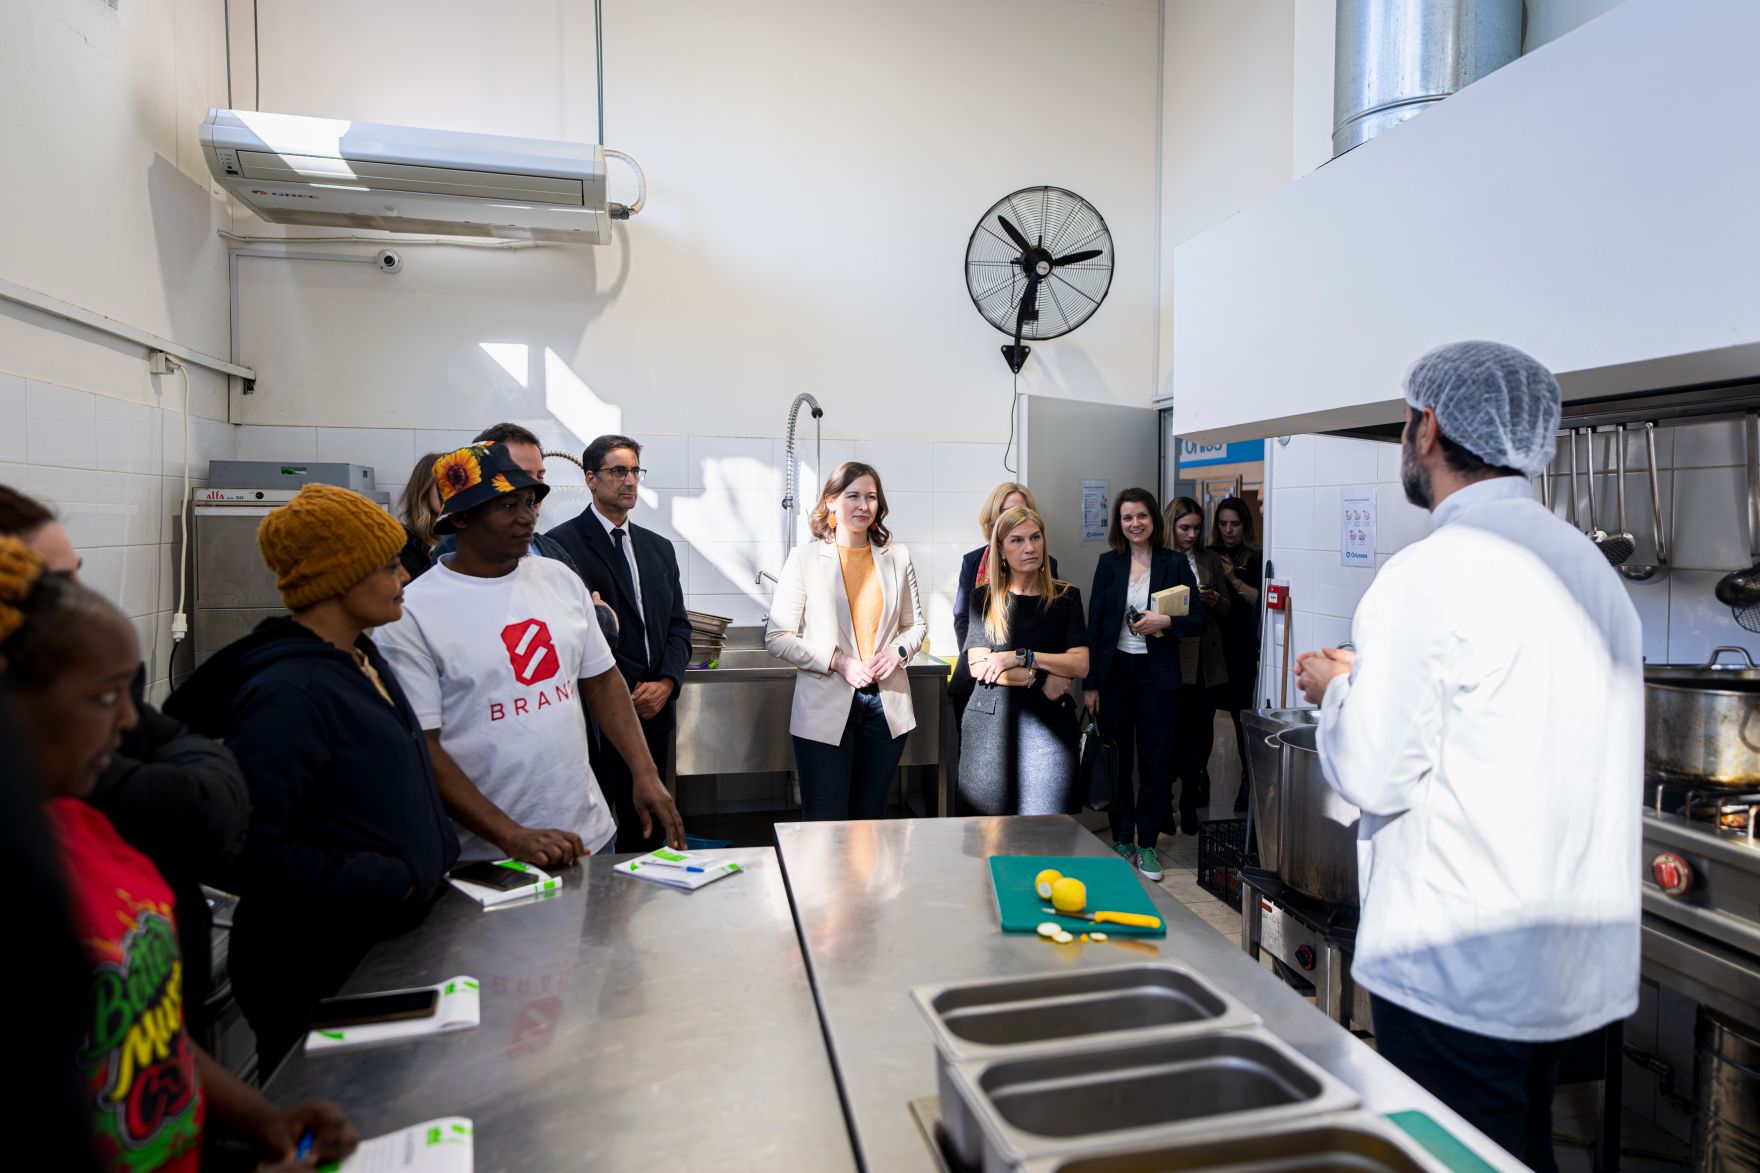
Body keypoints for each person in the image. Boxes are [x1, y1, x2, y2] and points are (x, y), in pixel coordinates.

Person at [1294, 341, 1640, 1173]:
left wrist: (1337, 691)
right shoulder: (1592, 572)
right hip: (1564, 969)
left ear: (1431, 426)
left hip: (1458, 968)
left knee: (1455, 1158)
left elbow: (1374, 770)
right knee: (1523, 1151)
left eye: (1406, 420)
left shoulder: (1429, 575)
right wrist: (1371, 679)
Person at [0, 536, 358, 1172]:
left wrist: (261, 1117)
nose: (125, 725)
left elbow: (141, 1033)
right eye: (104, 697)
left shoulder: (95, 829)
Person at [166, 483, 461, 1071]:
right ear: (339, 577)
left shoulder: (360, 657)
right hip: (312, 964)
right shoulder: (288, 694)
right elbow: (244, 848)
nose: (405, 575)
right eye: (386, 564)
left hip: (373, 945)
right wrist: (386, 879)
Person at [1, 486, 249, 1041]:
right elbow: (188, 806)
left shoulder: (102, 713)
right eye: (56, 588)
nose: (81, 603)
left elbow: (206, 791)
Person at [377, 443, 686, 869]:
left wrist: (644, 772)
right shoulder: (412, 613)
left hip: (590, 834)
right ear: (460, 518)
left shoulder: (559, 579)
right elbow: (422, 747)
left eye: (528, 501)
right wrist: (511, 835)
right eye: (507, 505)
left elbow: (603, 682)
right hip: (488, 855)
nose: (527, 516)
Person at [546, 435, 692, 851]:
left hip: (655, 710)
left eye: (634, 471)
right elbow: (568, 635)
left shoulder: (658, 549)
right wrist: (627, 691)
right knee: (593, 837)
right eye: (617, 471)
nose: (629, 481)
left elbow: (679, 627)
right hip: (597, 713)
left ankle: (642, 909)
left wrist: (666, 683)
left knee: (646, 834)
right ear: (590, 479)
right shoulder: (561, 546)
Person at [766, 462, 927, 820]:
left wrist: (897, 652)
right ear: (831, 502)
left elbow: (914, 626)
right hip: (825, 703)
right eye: (852, 496)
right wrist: (838, 661)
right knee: (825, 823)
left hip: (885, 707)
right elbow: (777, 637)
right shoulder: (804, 559)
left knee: (869, 821)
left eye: (871, 497)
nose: (863, 505)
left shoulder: (897, 557)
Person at [1083, 488, 1206, 880]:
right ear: (1119, 524)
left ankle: (1148, 845)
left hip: (1158, 677)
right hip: (1116, 672)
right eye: (1127, 518)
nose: (1135, 524)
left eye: (1141, 516)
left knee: (1155, 763)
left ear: (1154, 520)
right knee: (1118, 759)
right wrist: (1091, 684)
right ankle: (1122, 839)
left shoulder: (1174, 563)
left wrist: (1164, 622)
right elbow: (1094, 626)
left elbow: (1198, 619)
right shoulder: (1109, 564)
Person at [956, 506, 1089, 815]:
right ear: (1000, 551)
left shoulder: (1066, 598)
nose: (1029, 547)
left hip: (1049, 726)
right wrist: (1040, 676)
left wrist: (1021, 657)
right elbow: (980, 667)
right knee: (989, 833)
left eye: (1035, 537)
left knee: (1047, 829)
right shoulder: (984, 599)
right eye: (1016, 541)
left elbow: (1080, 664)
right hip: (990, 724)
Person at [1164, 496, 1230, 830]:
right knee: (1170, 731)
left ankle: (1191, 800)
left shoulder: (1209, 559)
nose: (1191, 534)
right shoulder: (1160, 559)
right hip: (1174, 655)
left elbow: (1227, 609)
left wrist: (1214, 599)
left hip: (1206, 658)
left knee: (1200, 735)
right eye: (1184, 528)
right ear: (1170, 527)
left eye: (1196, 528)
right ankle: (1165, 801)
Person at [952, 481, 1059, 650]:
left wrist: (1025, 664)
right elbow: (962, 618)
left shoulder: (1046, 564)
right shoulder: (972, 562)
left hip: (1030, 665)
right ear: (993, 517)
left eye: (1023, 511)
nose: (1016, 517)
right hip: (979, 664)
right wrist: (976, 660)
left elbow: (1050, 622)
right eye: (1008, 512)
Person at [1209, 496, 1263, 812]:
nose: (1229, 530)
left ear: (1245, 525)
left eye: (1235, 524)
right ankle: (1197, 778)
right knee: (1202, 718)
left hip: (1241, 645)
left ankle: (1247, 781)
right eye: (1223, 524)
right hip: (1212, 644)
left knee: (1242, 716)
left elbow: (1259, 600)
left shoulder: (1255, 558)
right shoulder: (1209, 554)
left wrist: (1231, 579)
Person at [396, 450, 446, 581]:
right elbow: (413, 586)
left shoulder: (467, 533)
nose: (451, 492)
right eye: (443, 484)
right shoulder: (404, 539)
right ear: (424, 489)